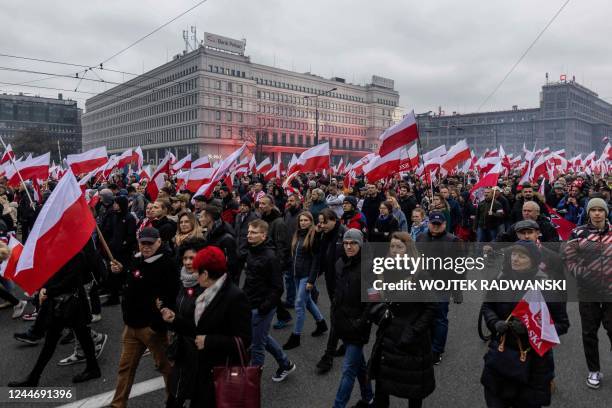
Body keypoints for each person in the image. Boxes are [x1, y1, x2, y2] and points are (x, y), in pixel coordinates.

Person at [160, 244, 252, 407]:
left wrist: (209, 341)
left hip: (221, 370)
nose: (194, 275)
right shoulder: (207, 293)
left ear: (206, 274)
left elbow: (244, 340)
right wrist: (175, 320)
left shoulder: (235, 297)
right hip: (201, 368)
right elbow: (198, 330)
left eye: (197, 272)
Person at [481, 241, 569, 407]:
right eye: (514, 254)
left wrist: (530, 329)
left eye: (522, 256)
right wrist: (494, 323)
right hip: (501, 354)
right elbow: (487, 306)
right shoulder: (500, 280)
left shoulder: (547, 286)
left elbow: (562, 324)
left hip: (533, 363)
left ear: (533, 260)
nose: (515, 259)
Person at [8, 241, 102, 387]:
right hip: (62, 304)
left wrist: (48, 291)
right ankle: (34, 377)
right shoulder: (59, 252)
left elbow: (71, 280)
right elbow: (52, 274)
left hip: (73, 304)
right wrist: (44, 288)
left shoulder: (77, 254)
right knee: (58, 341)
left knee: (80, 337)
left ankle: (34, 378)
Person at [110, 227, 179, 408]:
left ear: (158, 242)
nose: (146, 246)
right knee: (125, 368)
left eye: (150, 243)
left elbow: (171, 296)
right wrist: (120, 272)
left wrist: (156, 325)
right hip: (131, 326)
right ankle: (118, 404)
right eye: (143, 243)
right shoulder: (136, 259)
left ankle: (173, 402)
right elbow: (131, 284)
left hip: (151, 329)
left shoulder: (167, 264)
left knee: (166, 368)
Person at [369, 232, 437, 408]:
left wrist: (413, 332)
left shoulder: (420, 274)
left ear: (408, 249)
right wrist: (379, 313)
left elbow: (431, 308)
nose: (395, 250)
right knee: (382, 383)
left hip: (411, 339)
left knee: (413, 387)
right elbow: (374, 296)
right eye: (392, 246)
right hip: (388, 334)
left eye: (399, 247)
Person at [563, 197, 612, 389]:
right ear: (588, 212)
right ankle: (594, 370)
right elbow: (568, 258)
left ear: (606, 212)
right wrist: (583, 275)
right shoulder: (578, 232)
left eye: (601, 210)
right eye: (594, 210)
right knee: (589, 333)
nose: (597, 213)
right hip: (587, 291)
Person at [244, 219, 296, 381]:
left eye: (253, 232)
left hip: (262, 306)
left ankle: (252, 386)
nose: (249, 235)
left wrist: (263, 307)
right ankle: (285, 364)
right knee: (262, 337)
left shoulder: (270, 256)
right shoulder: (252, 250)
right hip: (251, 302)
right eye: (249, 232)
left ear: (264, 235)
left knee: (257, 346)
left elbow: (278, 287)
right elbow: (250, 279)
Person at [332, 229, 374, 408]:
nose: (349, 246)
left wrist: (361, 322)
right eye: (346, 243)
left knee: (348, 370)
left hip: (358, 327)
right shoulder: (340, 263)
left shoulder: (369, 266)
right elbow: (337, 292)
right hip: (342, 322)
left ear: (361, 244)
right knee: (359, 365)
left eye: (353, 243)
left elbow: (374, 299)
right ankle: (369, 397)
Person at [416, 212, 461, 365]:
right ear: (428, 223)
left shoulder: (453, 241)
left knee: (439, 318)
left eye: (438, 224)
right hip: (421, 285)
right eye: (433, 223)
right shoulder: (421, 237)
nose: (435, 227)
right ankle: (426, 345)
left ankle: (436, 351)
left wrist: (457, 291)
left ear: (444, 224)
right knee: (423, 315)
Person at [283, 212, 327, 350]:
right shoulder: (297, 234)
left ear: (311, 221)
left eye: (306, 220)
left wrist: (311, 280)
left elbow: (316, 260)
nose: (303, 222)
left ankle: (296, 336)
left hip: (306, 276)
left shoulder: (314, 235)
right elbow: (294, 255)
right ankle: (321, 323)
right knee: (307, 302)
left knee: (299, 304)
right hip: (297, 274)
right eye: (301, 220)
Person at [315, 208, 348, 374]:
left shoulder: (345, 235)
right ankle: (347, 344)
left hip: (344, 284)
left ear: (334, 220)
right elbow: (321, 256)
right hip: (330, 280)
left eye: (325, 222)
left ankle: (328, 356)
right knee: (340, 316)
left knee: (335, 316)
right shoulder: (323, 235)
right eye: (320, 222)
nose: (322, 225)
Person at [257, 195, 293, 329]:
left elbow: (281, 245)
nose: (261, 206)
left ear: (271, 205)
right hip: (265, 260)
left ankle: (283, 315)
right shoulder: (263, 219)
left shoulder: (278, 222)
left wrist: (279, 264)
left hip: (275, 262)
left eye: (264, 204)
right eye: (260, 203)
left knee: (273, 291)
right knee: (268, 290)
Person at [198, 200, 240, 284]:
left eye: (202, 216)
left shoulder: (226, 237)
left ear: (209, 217)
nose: (199, 219)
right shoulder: (209, 233)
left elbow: (232, 266)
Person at [234, 195, 260, 273]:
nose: (242, 207)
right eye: (241, 205)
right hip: (238, 250)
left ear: (249, 207)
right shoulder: (238, 216)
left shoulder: (254, 218)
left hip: (248, 251)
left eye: (244, 206)